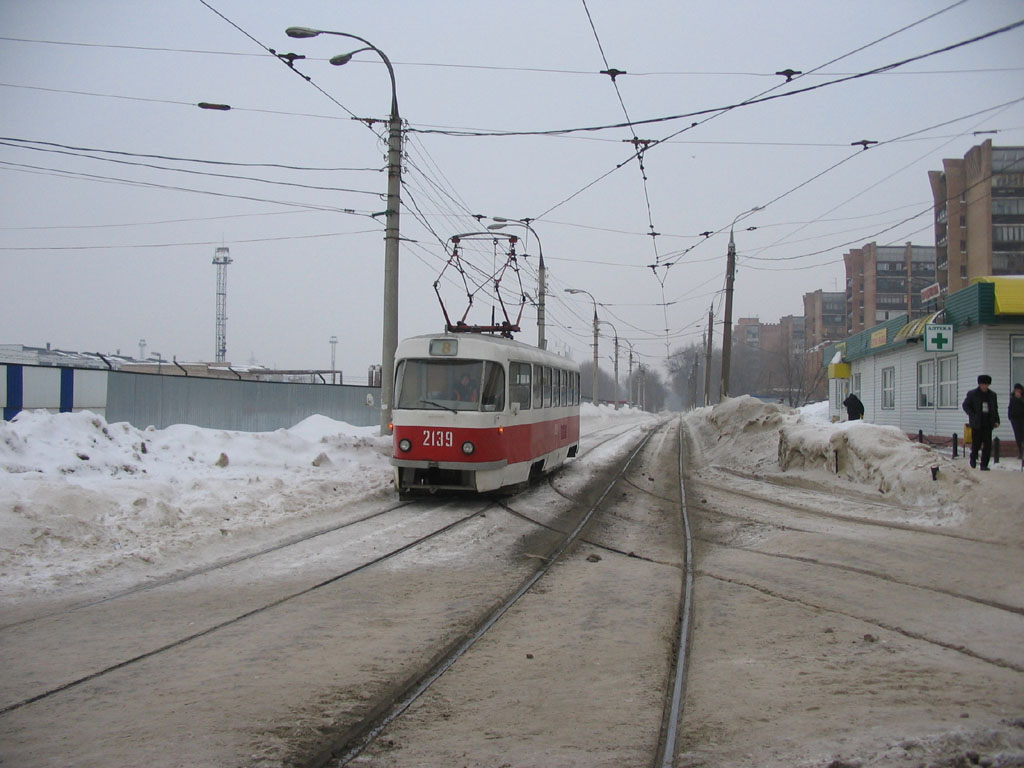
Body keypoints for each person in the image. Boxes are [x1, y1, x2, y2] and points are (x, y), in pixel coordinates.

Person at [962, 374, 1000, 470]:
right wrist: (972, 415)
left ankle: (984, 464)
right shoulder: (972, 394)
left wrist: (996, 420)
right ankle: (973, 457)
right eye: (983, 384)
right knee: (976, 443)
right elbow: (965, 405)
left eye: (986, 384)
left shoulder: (992, 395)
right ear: (979, 384)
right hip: (977, 422)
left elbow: (995, 409)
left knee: (987, 444)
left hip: (988, 422)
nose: (984, 386)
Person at [1009, 382, 1024, 463]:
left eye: (1019, 390)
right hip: (1015, 419)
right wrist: (1010, 417)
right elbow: (1010, 407)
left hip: (1022, 419)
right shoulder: (1012, 398)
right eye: (1016, 390)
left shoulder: (1022, 398)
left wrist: (1020, 399)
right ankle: (1020, 452)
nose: (1018, 391)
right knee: (1018, 436)